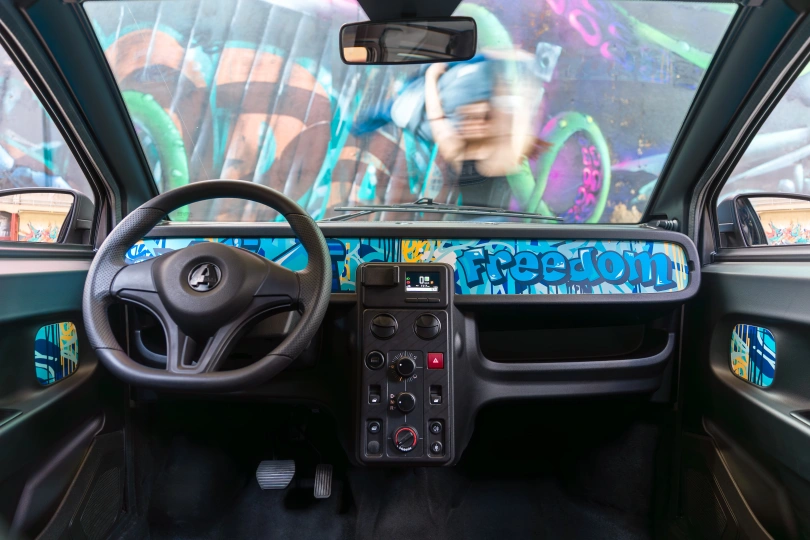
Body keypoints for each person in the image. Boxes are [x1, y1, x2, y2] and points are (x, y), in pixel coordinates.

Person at [423, 61, 545, 209]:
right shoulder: (458, 152)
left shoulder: (506, 150)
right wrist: (431, 77)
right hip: (469, 222)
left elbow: (521, 112)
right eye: (467, 118)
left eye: (485, 117)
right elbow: (436, 118)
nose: (477, 123)